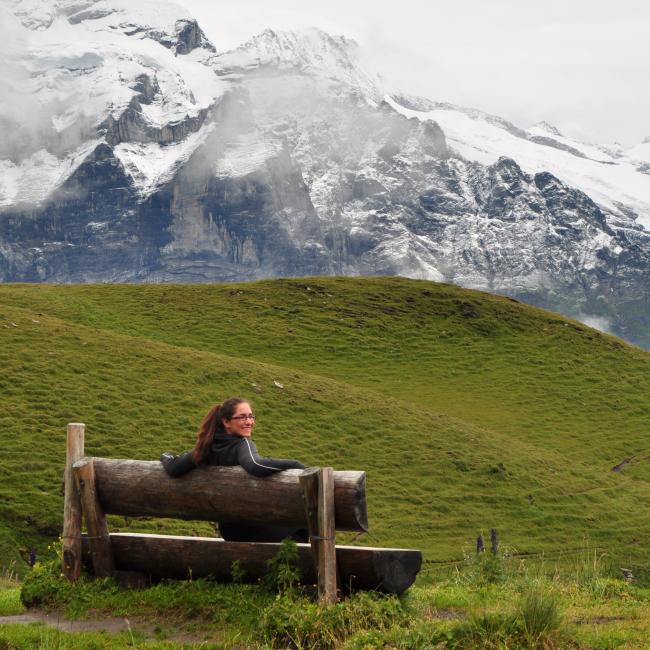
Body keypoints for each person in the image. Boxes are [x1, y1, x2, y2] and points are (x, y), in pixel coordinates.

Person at [160, 397, 308, 542]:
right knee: (303, 523)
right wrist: (297, 465)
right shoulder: (241, 444)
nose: (249, 422)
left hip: (229, 529)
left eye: (251, 416)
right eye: (242, 417)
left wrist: (165, 456)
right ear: (226, 422)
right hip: (253, 526)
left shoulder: (207, 447)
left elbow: (174, 468)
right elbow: (256, 465)